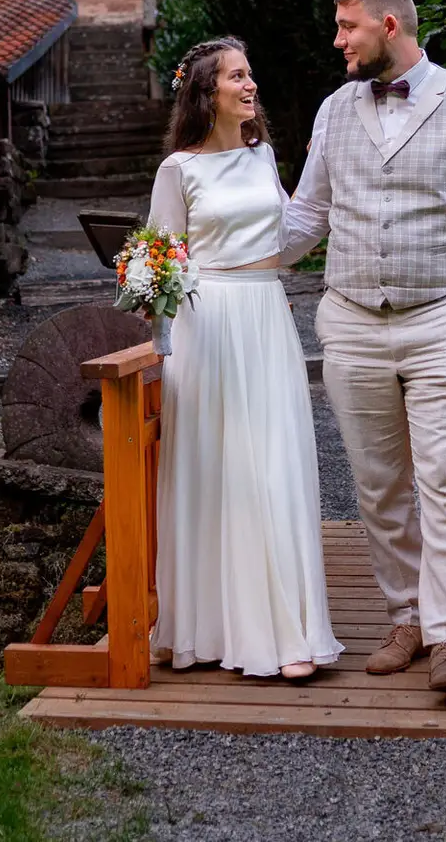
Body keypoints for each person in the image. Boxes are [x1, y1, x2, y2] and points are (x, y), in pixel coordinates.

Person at [282, 0, 446, 693]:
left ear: (388, 26)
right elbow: (307, 215)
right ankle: (407, 618)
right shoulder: (334, 109)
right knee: (377, 484)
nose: (338, 42)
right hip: (353, 321)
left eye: (347, 28)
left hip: (445, 316)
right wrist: (226, 252)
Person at [145, 36, 343, 680]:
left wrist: (329, 185)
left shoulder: (263, 158)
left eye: (250, 74)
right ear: (208, 93)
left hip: (265, 314)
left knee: (275, 469)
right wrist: (163, 338)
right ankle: (206, 630)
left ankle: (290, 635)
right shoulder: (178, 170)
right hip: (209, 325)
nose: (250, 84)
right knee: (217, 473)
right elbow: (160, 263)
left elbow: (285, 244)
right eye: (237, 76)